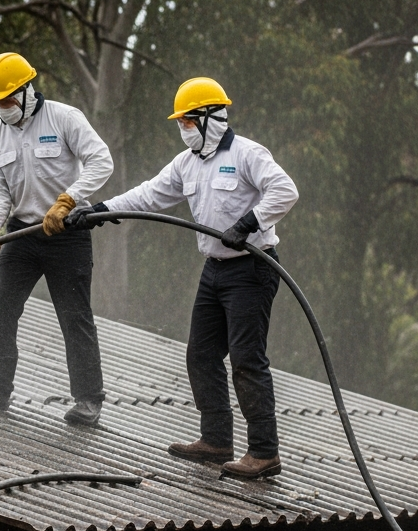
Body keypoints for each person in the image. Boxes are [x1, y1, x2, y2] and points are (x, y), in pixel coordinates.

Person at [70, 77, 299, 478]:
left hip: (252, 269)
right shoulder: (186, 163)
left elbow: (284, 190)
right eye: (182, 123)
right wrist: (99, 210)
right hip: (214, 269)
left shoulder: (247, 154)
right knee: (201, 355)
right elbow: (149, 195)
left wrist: (248, 223)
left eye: (189, 121)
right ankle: (216, 440)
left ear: (212, 119)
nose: (184, 129)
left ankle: (264, 452)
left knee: (247, 360)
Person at [0, 52, 114, 425]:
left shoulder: (64, 118)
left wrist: (68, 200)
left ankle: (88, 400)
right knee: (1, 306)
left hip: (67, 235)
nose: (3, 107)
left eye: (8, 99)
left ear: (28, 90)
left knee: (74, 315)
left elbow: (101, 161)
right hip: (22, 233)